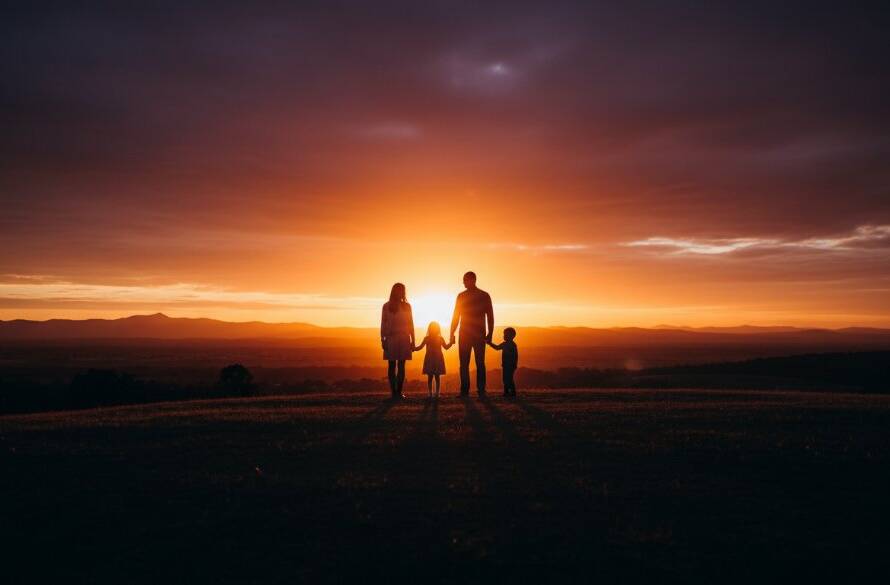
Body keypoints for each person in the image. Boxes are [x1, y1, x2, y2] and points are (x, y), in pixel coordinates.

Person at [449, 271, 494, 396]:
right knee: (475, 363)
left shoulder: (466, 296)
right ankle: (476, 390)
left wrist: (452, 332)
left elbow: (455, 316)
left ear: (472, 280)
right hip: (475, 333)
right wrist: (490, 333)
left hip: (468, 334)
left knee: (468, 363)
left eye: (465, 280)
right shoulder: (483, 295)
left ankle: (469, 390)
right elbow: (456, 316)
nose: (463, 282)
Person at [380, 282, 415, 399]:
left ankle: (398, 392)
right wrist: (383, 339)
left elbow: (411, 324)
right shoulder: (386, 306)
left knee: (401, 365)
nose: (401, 293)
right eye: (399, 290)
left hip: (404, 338)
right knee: (391, 365)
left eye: (402, 290)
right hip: (391, 337)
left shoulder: (407, 306)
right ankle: (394, 392)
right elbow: (383, 324)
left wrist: (413, 340)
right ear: (394, 291)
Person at [413, 321, 453, 398]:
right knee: (436, 377)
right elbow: (446, 347)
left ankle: (431, 393)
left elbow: (419, 347)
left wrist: (413, 348)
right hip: (437, 358)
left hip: (430, 358)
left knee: (430, 376)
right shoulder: (440, 338)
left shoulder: (427, 338)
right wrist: (451, 343)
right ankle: (436, 393)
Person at [488, 327, 519, 397]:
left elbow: (497, 348)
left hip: (509, 365)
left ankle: (511, 392)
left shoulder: (511, 345)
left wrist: (490, 343)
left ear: (511, 336)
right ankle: (507, 392)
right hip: (506, 365)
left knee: (508, 379)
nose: (504, 336)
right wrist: (490, 343)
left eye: (505, 335)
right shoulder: (508, 344)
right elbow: (497, 347)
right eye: (504, 334)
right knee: (506, 379)